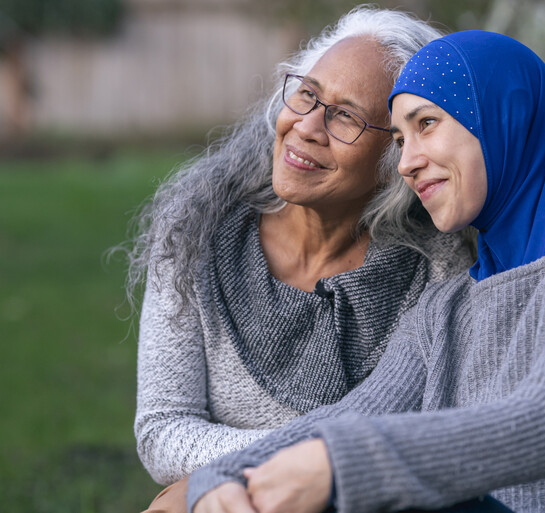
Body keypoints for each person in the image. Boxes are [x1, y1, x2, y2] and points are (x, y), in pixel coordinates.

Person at [187, 31, 545, 513]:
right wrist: (213, 480)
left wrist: (338, 466)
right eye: (399, 140)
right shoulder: (451, 306)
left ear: (502, 116)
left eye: (427, 124)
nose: (407, 162)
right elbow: (354, 415)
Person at [125, 8, 476, 513]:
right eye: (308, 95)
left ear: (395, 156)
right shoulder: (196, 227)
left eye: (347, 116)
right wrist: (296, 460)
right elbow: (162, 430)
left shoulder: (436, 266)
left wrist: (323, 474)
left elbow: (430, 436)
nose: (307, 126)